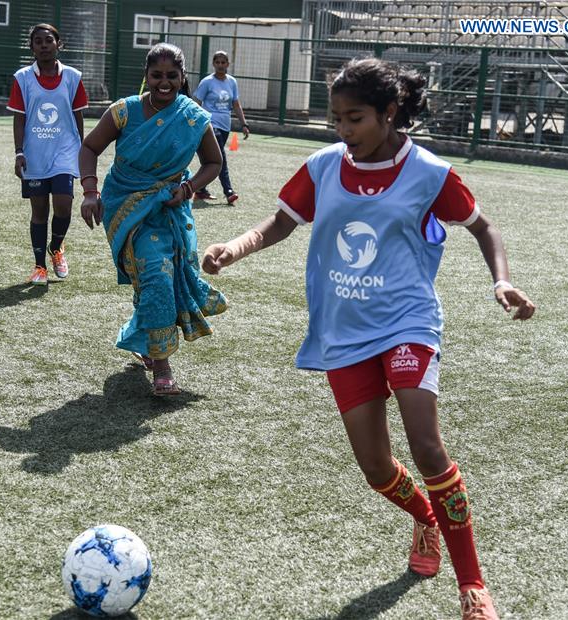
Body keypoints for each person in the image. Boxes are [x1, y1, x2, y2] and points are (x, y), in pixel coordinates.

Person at [201, 58, 535, 620]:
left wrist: (501, 280)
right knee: (376, 469)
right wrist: (235, 247)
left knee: (426, 445)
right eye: (337, 119)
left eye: (354, 118)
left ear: (389, 112)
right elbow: (280, 222)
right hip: (344, 332)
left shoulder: (430, 172)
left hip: (407, 322)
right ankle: (426, 521)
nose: (343, 131)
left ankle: (473, 587)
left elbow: (483, 226)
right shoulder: (323, 166)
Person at [78, 43, 226, 395]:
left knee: (155, 273)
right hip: (125, 205)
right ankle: (162, 364)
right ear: (146, 76)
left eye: (171, 76)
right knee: (155, 272)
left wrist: (189, 188)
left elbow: (214, 163)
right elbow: (89, 148)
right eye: (156, 75)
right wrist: (89, 191)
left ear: (182, 77)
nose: (164, 82)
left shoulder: (192, 116)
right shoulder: (124, 111)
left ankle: (147, 341)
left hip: (169, 207)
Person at [9, 23, 87, 285]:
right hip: (35, 154)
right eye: (38, 41)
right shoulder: (22, 78)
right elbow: (19, 120)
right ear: (31, 47)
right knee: (39, 211)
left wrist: (84, 151)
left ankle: (57, 248)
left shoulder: (74, 77)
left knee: (64, 205)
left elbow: (78, 117)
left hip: (65, 151)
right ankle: (39, 265)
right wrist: (19, 152)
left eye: (48, 40)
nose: (44, 45)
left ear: (58, 44)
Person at [192, 50, 249, 204]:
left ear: (228, 64)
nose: (220, 65)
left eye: (223, 62)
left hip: (225, 126)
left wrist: (244, 124)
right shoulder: (207, 82)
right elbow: (196, 102)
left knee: (211, 160)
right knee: (221, 157)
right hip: (211, 124)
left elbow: (236, 104)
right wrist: (197, 121)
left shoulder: (232, 82)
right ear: (213, 64)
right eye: (217, 62)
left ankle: (200, 189)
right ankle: (228, 191)